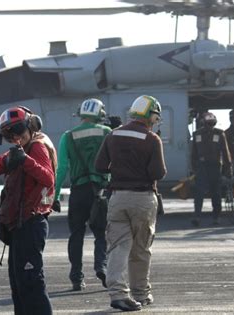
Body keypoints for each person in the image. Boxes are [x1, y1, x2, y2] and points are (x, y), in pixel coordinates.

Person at [95, 95, 166, 312]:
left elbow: (100, 165)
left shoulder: (113, 135)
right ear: (150, 115)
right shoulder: (152, 139)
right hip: (143, 198)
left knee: (118, 247)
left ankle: (117, 294)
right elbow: (158, 173)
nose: (156, 120)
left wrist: (120, 170)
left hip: (117, 198)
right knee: (141, 248)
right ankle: (141, 293)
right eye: (155, 116)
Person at [0, 106, 56, 315]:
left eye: (18, 130)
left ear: (31, 125)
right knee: (19, 284)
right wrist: (8, 159)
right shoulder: (21, 148)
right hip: (19, 225)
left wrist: (26, 161)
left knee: (31, 283)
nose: (16, 136)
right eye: (9, 134)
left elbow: (47, 178)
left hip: (31, 223)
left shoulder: (36, 147)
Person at [53, 98, 111, 291]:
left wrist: (54, 196)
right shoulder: (107, 133)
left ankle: (77, 277)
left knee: (76, 234)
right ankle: (101, 266)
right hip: (100, 191)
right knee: (101, 233)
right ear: (100, 114)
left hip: (78, 191)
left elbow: (61, 169)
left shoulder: (67, 136)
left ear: (81, 114)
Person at [191, 112, 232, 226]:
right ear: (203, 123)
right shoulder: (197, 134)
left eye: (212, 123)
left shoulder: (220, 134)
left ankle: (216, 217)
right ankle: (197, 216)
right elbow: (193, 154)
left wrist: (228, 169)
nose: (210, 126)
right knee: (199, 193)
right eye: (208, 123)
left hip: (215, 167)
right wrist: (194, 168)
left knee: (216, 193)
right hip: (202, 167)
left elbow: (225, 152)